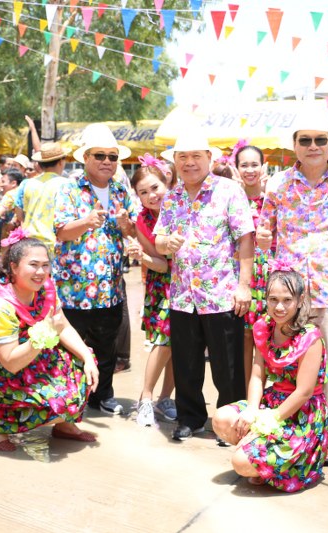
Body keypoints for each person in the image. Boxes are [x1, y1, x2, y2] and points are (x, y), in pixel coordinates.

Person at [256, 111, 328, 465]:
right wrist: (263, 244)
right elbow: (264, 236)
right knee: (288, 372)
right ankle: (294, 432)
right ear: (294, 145)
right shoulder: (277, 186)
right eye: (305, 140)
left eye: (321, 139)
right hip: (289, 300)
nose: (313, 146)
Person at [154, 131, 254, 441]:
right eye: (182, 157)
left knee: (228, 367)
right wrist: (166, 244)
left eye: (196, 156)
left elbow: (245, 238)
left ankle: (230, 425)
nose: (189, 163)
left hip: (221, 294)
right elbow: (159, 241)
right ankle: (190, 418)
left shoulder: (229, 191)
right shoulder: (172, 197)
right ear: (175, 161)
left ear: (209, 158)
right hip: (183, 296)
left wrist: (244, 286)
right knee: (186, 364)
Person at [0, 236, 99, 450]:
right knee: (59, 400)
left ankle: (65, 425)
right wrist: (43, 334)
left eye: (45, 265)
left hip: (35, 356)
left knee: (84, 361)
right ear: (13, 267)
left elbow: (63, 326)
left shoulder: (45, 290)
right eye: (33, 265)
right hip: (1, 370)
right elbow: (10, 362)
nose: (40, 272)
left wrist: (87, 358)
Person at [212, 264, 328, 492]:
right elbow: (257, 374)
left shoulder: (310, 337)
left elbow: (304, 392)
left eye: (287, 300)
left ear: (300, 300)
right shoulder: (265, 326)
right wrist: (252, 410)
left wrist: (268, 422)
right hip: (273, 401)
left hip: (300, 414)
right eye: (273, 299)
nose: (279, 307)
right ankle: (261, 458)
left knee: (240, 463)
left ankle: (269, 462)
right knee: (221, 419)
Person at [53, 124, 135, 415]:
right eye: (100, 155)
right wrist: (86, 222)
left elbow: (132, 230)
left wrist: (126, 225)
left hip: (109, 288)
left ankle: (103, 396)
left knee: (106, 346)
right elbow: (61, 231)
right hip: (73, 288)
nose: (107, 162)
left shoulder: (121, 191)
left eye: (112, 157)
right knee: (69, 348)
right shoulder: (69, 189)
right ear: (85, 157)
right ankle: (68, 400)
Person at [126, 155, 177, 426]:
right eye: (143, 192)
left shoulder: (182, 208)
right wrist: (142, 257)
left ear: (166, 182)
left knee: (181, 345)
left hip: (192, 283)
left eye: (155, 187)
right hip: (164, 285)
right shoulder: (143, 221)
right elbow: (161, 264)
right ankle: (145, 397)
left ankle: (165, 398)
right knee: (164, 339)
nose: (151, 196)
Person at [229, 144, 270, 389]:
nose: (250, 170)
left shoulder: (272, 200)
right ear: (236, 168)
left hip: (268, 275)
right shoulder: (230, 200)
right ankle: (245, 395)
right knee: (244, 337)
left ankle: (261, 395)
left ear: (263, 167)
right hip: (239, 274)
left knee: (265, 336)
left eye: (255, 164)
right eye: (244, 165)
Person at [14, 142, 69, 249]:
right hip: (54, 245)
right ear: (61, 162)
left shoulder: (26, 184)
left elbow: (19, 215)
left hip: (29, 243)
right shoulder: (67, 185)